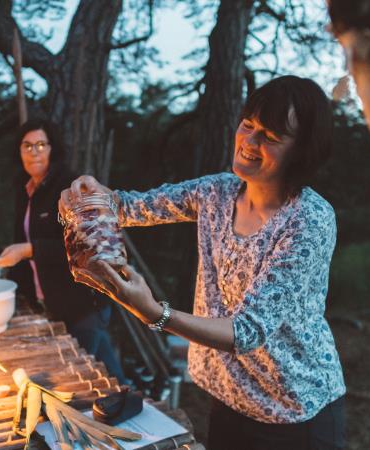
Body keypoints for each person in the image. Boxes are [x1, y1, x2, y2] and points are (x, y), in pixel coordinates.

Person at [61, 76, 346, 450]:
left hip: (292, 410)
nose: (250, 142)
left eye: (271, 137)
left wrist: (153, 313)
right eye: (248, 125)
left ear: (302, 151)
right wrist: (92, 197)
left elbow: (246, 331)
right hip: (227, 398)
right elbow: (130, 206)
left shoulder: (309, 219)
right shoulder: (216, 191)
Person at [0, 118, 125, 383]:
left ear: (53, 148)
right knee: (106, 370)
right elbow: (24, 241)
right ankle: (131, 401)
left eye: (41, 144)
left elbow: (86, 247)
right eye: (26, 146)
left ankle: (124, 409)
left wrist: (29, 250)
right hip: (54, 302)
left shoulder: (69, 188)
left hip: (83, 302)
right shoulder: (25, 189)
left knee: (82, 374)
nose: (33, 151)